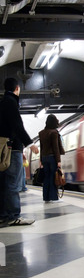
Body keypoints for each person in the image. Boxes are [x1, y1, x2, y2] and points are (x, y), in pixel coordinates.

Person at [0, 78, 39, 226]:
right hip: (12, 149)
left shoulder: (3, 102)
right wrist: (30, 144)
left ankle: (4, 215)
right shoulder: (11, 102)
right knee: (12, 183)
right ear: (17, 88)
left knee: (4, 183)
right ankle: (12, 215)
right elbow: (17, 126)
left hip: (4, 148)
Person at [39, 114, 65, 203]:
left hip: (44, 157)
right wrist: (58, 161)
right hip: (52, 158)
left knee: (46, 178)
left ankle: (46, 197)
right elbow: (56, 147)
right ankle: (54, 197)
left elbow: (41, 148)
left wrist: (41, 160)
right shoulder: (54, 132)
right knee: (53, 177)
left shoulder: (41, 133)